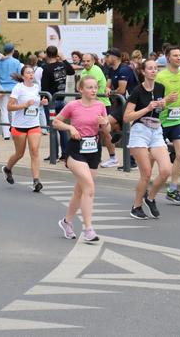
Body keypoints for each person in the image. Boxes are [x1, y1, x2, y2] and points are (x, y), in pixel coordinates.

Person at [54, 76, 111, 242]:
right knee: (89, 187)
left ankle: (67, 222)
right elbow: (56, 122)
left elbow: (106, 130)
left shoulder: (100, 105)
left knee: (80, 191)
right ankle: (88, 229)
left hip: (93, 149)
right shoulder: (73, 105)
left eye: (95, 87)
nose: (94, 90)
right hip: (76, 149)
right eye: (90, 87)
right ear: (81, 90)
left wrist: (105, 122)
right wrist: (70, 127)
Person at [123, 59, 172, 219]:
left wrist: (162, 104)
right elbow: (127, 117)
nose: (153, 71)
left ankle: (150, 198)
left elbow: (159, 109)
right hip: (140, 131)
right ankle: (136, 207)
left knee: (166, 170)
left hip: (156, 130)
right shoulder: (137, 91)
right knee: (146, 173)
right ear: (143, 72)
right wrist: (147, 108)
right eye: (150, 69)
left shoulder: (160, 87)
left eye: (156, 68)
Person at [1, 65, 49, 192]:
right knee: (20, 153)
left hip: (34, 124)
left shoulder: (36, 87)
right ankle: (7, 169)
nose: (31, 75)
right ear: (23, 76)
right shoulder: (18, 88)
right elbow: (9, 107)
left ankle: (36, 181)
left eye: (32, 73)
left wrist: (41, 103)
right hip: (19, 126)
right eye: (28, 73)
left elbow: (34, 104)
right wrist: (24, 105)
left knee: (34, 152)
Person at [155, 45, 180, 204]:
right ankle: (145, 186)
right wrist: (165, 101)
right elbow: (154, 100)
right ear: (168, 57)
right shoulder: (161, 77)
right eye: (175, 55)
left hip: (177, 120)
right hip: (161, 120)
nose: (179, 58)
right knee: (151, 158)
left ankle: (172, 189)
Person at [102, 47, 138, 168]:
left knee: (105, 123)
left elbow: (121, 90)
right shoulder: (112, 69)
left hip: (131, 104)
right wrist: (108, 89)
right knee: (108, 126)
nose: (105, 58)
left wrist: (110, 91)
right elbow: (107, 86)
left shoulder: (124, 70)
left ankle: (130, 161)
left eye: (107, 56)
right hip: (121, 104)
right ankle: (118, 132)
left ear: (115, 57)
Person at [40, 45, 76, 161]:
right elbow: (71, 71)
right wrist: (64, 59)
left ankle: (54, 154)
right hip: (62, 99)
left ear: (46, 54)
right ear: (57, 54)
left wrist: (43, 99)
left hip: (51, 102)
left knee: (53, 128)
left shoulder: (46, 68)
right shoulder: (62, 65)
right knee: (62, 128)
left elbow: (44, 87)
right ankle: (65, 154)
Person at [80, 53, 113, 166]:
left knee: (105, 131)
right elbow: (80, 87)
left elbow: (92, 87)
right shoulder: (83, 72)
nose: (85, 63)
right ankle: (95, 156)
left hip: (102, 104)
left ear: (93, 61)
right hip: (90, 104)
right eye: (83, 61)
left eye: (88, 61)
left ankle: (113, 157)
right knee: (93, 131)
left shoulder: (96, 70)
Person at [0, 43, 22, 140]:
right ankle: (15, 132)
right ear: (13, 51)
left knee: (4, 111)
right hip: (14, 88)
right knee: (14, 111)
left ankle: (6, 134)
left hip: (2, 89)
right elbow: (19, 75)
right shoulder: (16, 62)